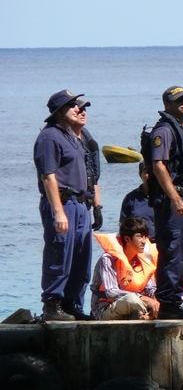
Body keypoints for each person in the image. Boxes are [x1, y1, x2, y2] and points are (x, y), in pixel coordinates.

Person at [34, 89, 93, 321]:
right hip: (63, 202)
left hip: (80, 204)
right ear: (59, 112)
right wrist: (58, 211)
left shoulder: (72, 136)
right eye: (72, 106)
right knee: (59, 254)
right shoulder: (49, 137)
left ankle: (73, 305)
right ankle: (52, 304)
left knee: (81, 258)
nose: (78, 109)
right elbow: (48, 176)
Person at [143, 85, 183, 320]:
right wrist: (175, 198)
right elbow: (158, 166)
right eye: (179, 100)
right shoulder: (164, 130)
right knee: (173, 251)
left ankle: (175, 300)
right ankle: (168, 302)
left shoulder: (182, 128)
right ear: (167, 105)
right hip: (170, 201)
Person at [90, 216, 160, 320]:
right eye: (139, 237)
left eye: (145, 237)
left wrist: (155, 298)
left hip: (135, 306)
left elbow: (151, 288)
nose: (144, 241)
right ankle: (144, 314)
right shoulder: (108, 259)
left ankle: (147, 316)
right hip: (105, 308)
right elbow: (111, 292)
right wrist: (142, 297)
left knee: (165, 298)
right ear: (127, 239)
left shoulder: (141, 261)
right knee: (133, 300)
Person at [74, 97, 104, 234]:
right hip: (70, 203)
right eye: (79, 110)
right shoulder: (61, 138)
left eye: (84, 110)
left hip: (86, 204)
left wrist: (97, 207)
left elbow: (93, 175)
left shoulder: (87, 137)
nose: (83, 113)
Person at [119, 162, 156, 241]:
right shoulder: (130, 198)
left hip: (159, 243)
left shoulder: (166, 198)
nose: (149, 175)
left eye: (152, 171)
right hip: (138, 245)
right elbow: (123, 226)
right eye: (146, 172)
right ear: (140, 174)